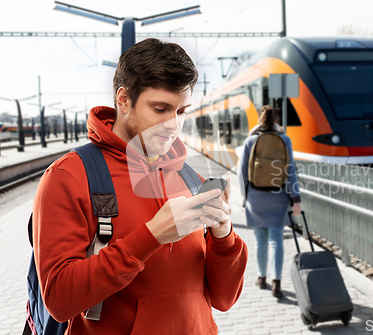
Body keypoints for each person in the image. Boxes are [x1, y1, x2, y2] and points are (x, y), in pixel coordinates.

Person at [33, 38, 248, 335]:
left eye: (182, 111)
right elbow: (59, 299)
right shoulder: (69, 176)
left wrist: (223, 236)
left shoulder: (191, 175)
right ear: (123, 100)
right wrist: (151, 236)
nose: (174, 124)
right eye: (160, 109)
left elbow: (224, 299)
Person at [237, 105, 301, 298]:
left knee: (260, 240)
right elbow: (291, 171)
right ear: (276, 120)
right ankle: (277, 283)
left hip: (256, 198)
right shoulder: (285, 140)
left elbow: (242, 173)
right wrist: (295, 199)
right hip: (279, 196)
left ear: (260, 119)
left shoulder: (250, 140)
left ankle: (261, 278)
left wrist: (245, 196)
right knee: (276, 241)